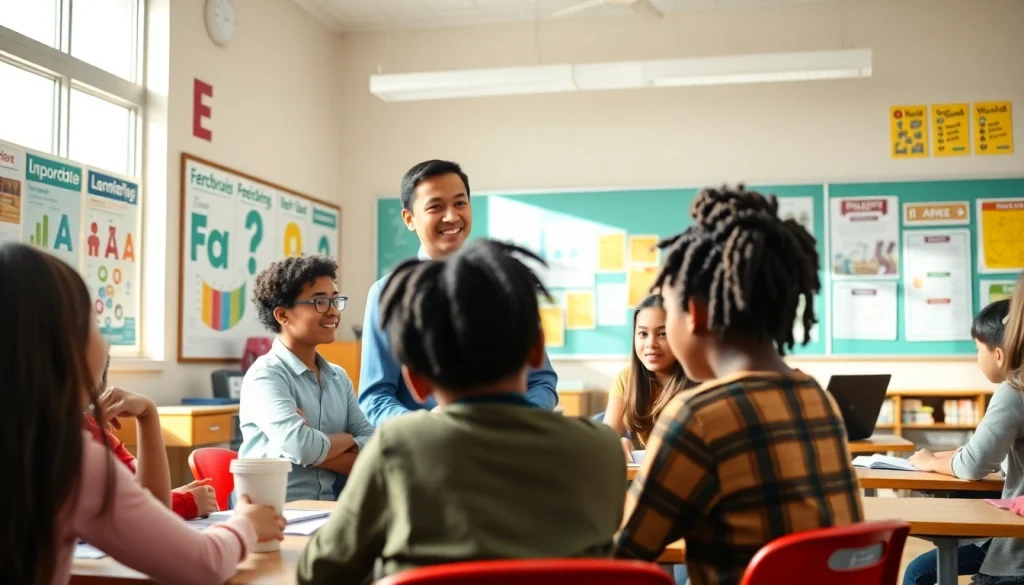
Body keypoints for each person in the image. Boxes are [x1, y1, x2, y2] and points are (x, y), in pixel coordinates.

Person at [296, 240, 625, 584]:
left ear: (415, 379)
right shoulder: (602, 449)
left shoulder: (399, 448)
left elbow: (318, 573)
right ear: (537, 348)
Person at [614, 185, 863, 585]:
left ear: (694, 314)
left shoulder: (700, 416)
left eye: (669, 313)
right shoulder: (816, 397)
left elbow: (626, 551)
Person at [0, 243, 285, 584]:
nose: (105, 342)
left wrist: (148, 414)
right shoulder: (70, 461)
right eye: (95, 324)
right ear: (62, 345)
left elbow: (149, 505)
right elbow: (204, 565)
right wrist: (246, 524)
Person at [358, 159, 558, 426]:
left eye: (460, 203)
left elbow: (541, 380)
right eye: (436, 206)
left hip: (508, 442)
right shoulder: (388, 293)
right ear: (409, 218)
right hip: (429, 447)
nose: (451, 216)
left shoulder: (501, 283)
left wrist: (516, 421)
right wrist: (430, 428)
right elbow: (375, 396)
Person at [909, 294, 1024, 585]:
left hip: (1016, 552)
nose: (977, 358)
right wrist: (949, 456)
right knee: (919, 569)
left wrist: (931, 461)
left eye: (977, 349)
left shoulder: (1014, 392)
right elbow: (987, 457)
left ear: (999, 354)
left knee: (917, 573)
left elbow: (973, 465)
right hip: (1012, 528)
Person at [239, 255, 375, 502]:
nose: (333, 311)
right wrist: (347, 441)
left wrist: (311, 449)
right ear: (283, 315)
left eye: (335, 300)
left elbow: (373, 446)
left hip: (327, 509)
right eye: (319, 302)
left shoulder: (338, 377)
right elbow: (302, 447)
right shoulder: (266, 376)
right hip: (274, 510)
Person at [85, 354, 219, 518]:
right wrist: (185, 502)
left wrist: (172, 496)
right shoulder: (78, 437)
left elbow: (140, 490)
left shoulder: (94, 429)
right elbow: (144, 513)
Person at [603, 293, 697, 461]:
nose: (651, 344)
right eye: (643, 334)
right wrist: (617, 443)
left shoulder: (698, 379)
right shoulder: (627, 378)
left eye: (662, 334)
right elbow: (606, 437)